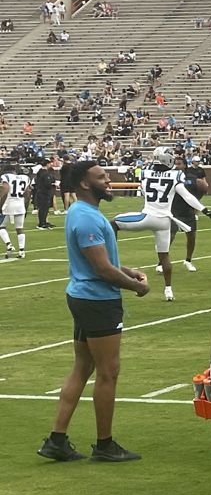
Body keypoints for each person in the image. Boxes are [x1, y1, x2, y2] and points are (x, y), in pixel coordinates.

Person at [38, 160, 149, 463]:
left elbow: (100, 261)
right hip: (97, 301)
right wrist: (136, 286)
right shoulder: (86, 217)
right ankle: (104, 444)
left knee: (83, 367)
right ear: (85, 184)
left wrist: (126, 270)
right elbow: (101, 269)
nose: (109, 180)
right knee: (108, 372)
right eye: (102, 177)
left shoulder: (83, 212)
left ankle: (57, 440)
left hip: (85, 296)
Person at [113, 147, 211, 302]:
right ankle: (168, 290)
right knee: (164, 256)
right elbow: (187, 196)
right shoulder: (176, 175)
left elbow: (143, 189)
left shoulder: (145, 173)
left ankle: (110, 262)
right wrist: (204, 209)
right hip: (164, 221)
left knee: (112, 224)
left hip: (147, 216)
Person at [169, 153, 209, 268]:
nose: (176, 166)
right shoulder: (170, 176)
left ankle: (188, 260)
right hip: (173, 211)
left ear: (185, 165)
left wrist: (196, 204)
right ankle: (162, 262)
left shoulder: (191, 178)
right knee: (170, 237)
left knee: (191, 237)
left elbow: (201, 190)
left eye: (179, 164)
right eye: (175, 164)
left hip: (187, 211)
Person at [1, 162, 33, 258]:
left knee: (1, 226)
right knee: (19, 228)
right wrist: (26, 207)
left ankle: (8, 244)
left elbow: (6, 190)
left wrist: (0, 204)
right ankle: (21, 251)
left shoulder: (5, 177)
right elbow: (27, 194)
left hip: (9, 204)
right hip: (20, 204)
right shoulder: (25, 178)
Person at [34, 157, 57, 229]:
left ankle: (44, 221)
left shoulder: (41, 172)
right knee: (43, 208)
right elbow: (47, 183)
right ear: (47, 164)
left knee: (45, 208)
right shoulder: (44, 173)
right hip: (44, 192)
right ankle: (41, 223)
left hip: (43, 192)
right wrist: (53, 184)